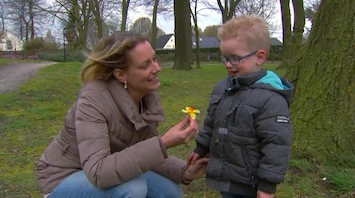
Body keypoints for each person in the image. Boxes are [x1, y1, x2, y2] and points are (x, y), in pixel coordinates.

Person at [36, 31, 208, 198]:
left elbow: (141, 153)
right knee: (133, 188)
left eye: (154, 59)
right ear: (121, 75)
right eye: (145, 65)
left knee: (170, 191)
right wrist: (163, 143)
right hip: (64, 176)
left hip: (109, 167)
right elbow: (99, 172)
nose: (157, 68)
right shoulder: (92, 101)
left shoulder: (145, 98)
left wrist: (184, 171)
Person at [188, 15, 294, 198]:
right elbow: (210, 122)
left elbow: (276, 144)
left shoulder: (271, 99)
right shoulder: (223, 87)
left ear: (259, 57)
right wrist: (200, 149)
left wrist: (267, 186)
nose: (228, 65)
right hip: (226, 176)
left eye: (235, 58)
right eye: (225, 58)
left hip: (251, 183)